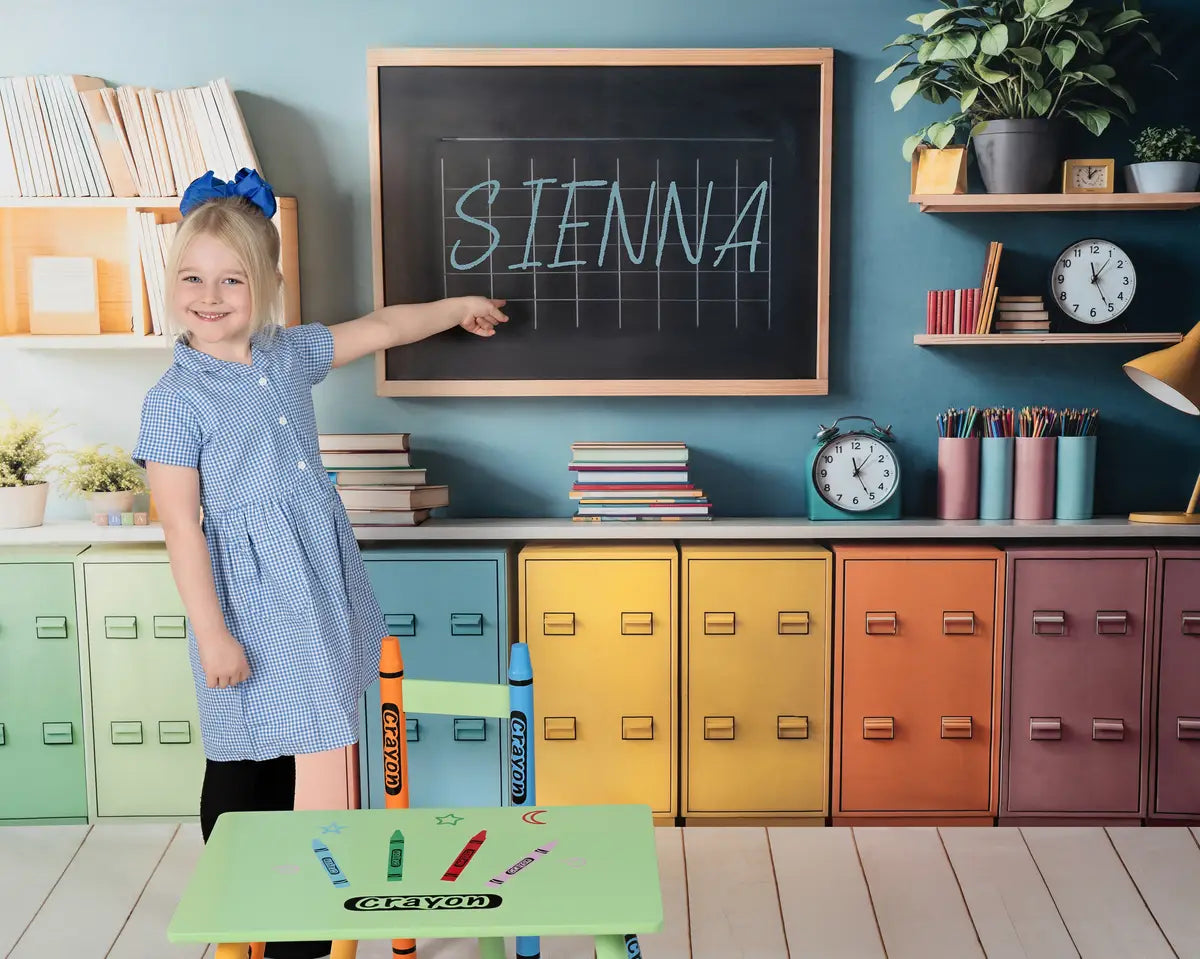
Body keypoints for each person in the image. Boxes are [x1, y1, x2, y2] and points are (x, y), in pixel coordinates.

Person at [132, 169, 507, 959]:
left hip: (313, 585)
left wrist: (456, 307)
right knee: (244, 753)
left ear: (268, 282)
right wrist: (213, 634)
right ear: (172, 284)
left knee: (298, 745)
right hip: (246, 600)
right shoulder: (174, 398)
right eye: (192, 277)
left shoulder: (287, 354)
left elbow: (380, 327)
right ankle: (242, 902)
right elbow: (178, 523)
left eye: (231, 278)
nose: (210, 295)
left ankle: (294, 904)